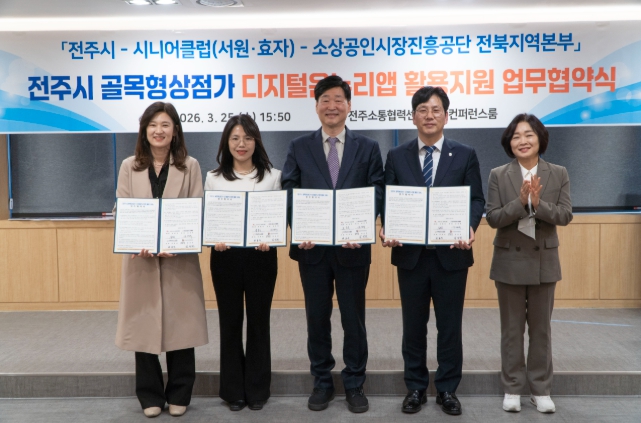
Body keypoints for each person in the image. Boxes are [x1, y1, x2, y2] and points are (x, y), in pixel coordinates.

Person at [281, 75, 384, 413]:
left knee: (354, 319)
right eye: (325, 100)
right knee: (317, 318)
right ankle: (322, 382)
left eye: (338, 99)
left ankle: (354, 383)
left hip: (353, 249)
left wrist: (362, 226)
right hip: (312, 249)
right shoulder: (299, 146)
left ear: (349, 105)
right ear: (316, 106)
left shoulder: (367, 147)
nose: (332, 106)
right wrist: (301, 226)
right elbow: (289, 189)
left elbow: (377, 189)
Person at [381, 86, 485, 416]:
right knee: (413, 325)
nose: (429, 115)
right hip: (410, 255)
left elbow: (476, 199)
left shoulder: (465, 154)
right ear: (413, 117)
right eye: (422, 110)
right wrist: (387, 225)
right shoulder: (396, 155)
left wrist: (470, 226)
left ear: (446, 116)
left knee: (449, 326)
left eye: (436, 109)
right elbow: (388, 198)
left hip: (451, 254)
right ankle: (415, 387)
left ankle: (447, 389)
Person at [115, 101, 208, 418]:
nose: (159, 130)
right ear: (144, 130)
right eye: (153, 125)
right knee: (143, 327)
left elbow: (196, 209)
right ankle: (149, 395)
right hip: (140, 260)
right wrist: (136, 239)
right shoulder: (129, 166)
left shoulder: (190, 166)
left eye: (165, 124)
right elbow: (122, 208)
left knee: (182, 328)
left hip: (179, 261)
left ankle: (180, 392)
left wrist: (178, 243)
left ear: (175, 130)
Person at [485, 113, 572, 414]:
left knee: (541, 330)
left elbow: (565, 215)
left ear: (540, 139)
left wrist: (538, 203)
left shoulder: (558, 173)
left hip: (544, 262)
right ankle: (512, 388)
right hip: (509, 260)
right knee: (511, 330)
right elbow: (493, 217)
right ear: (509, 143)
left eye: (529, 135)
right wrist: (520, 202)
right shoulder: (498, 174)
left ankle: (540, 389)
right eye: (516, 136)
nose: (522, 141)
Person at [205, 114, 281, 411]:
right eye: (235, 138)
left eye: (248, 138)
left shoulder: (273, 176)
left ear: (256, 141)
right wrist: (214, 238)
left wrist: (270, 237)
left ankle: (258, 389)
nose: (241, 144)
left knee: (259, 322)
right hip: (225, 257)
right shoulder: (213, 177)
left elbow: (277, 219)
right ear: (226, 142)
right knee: (230, 322)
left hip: (262, 257)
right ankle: (233, 390)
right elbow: (208, 220)